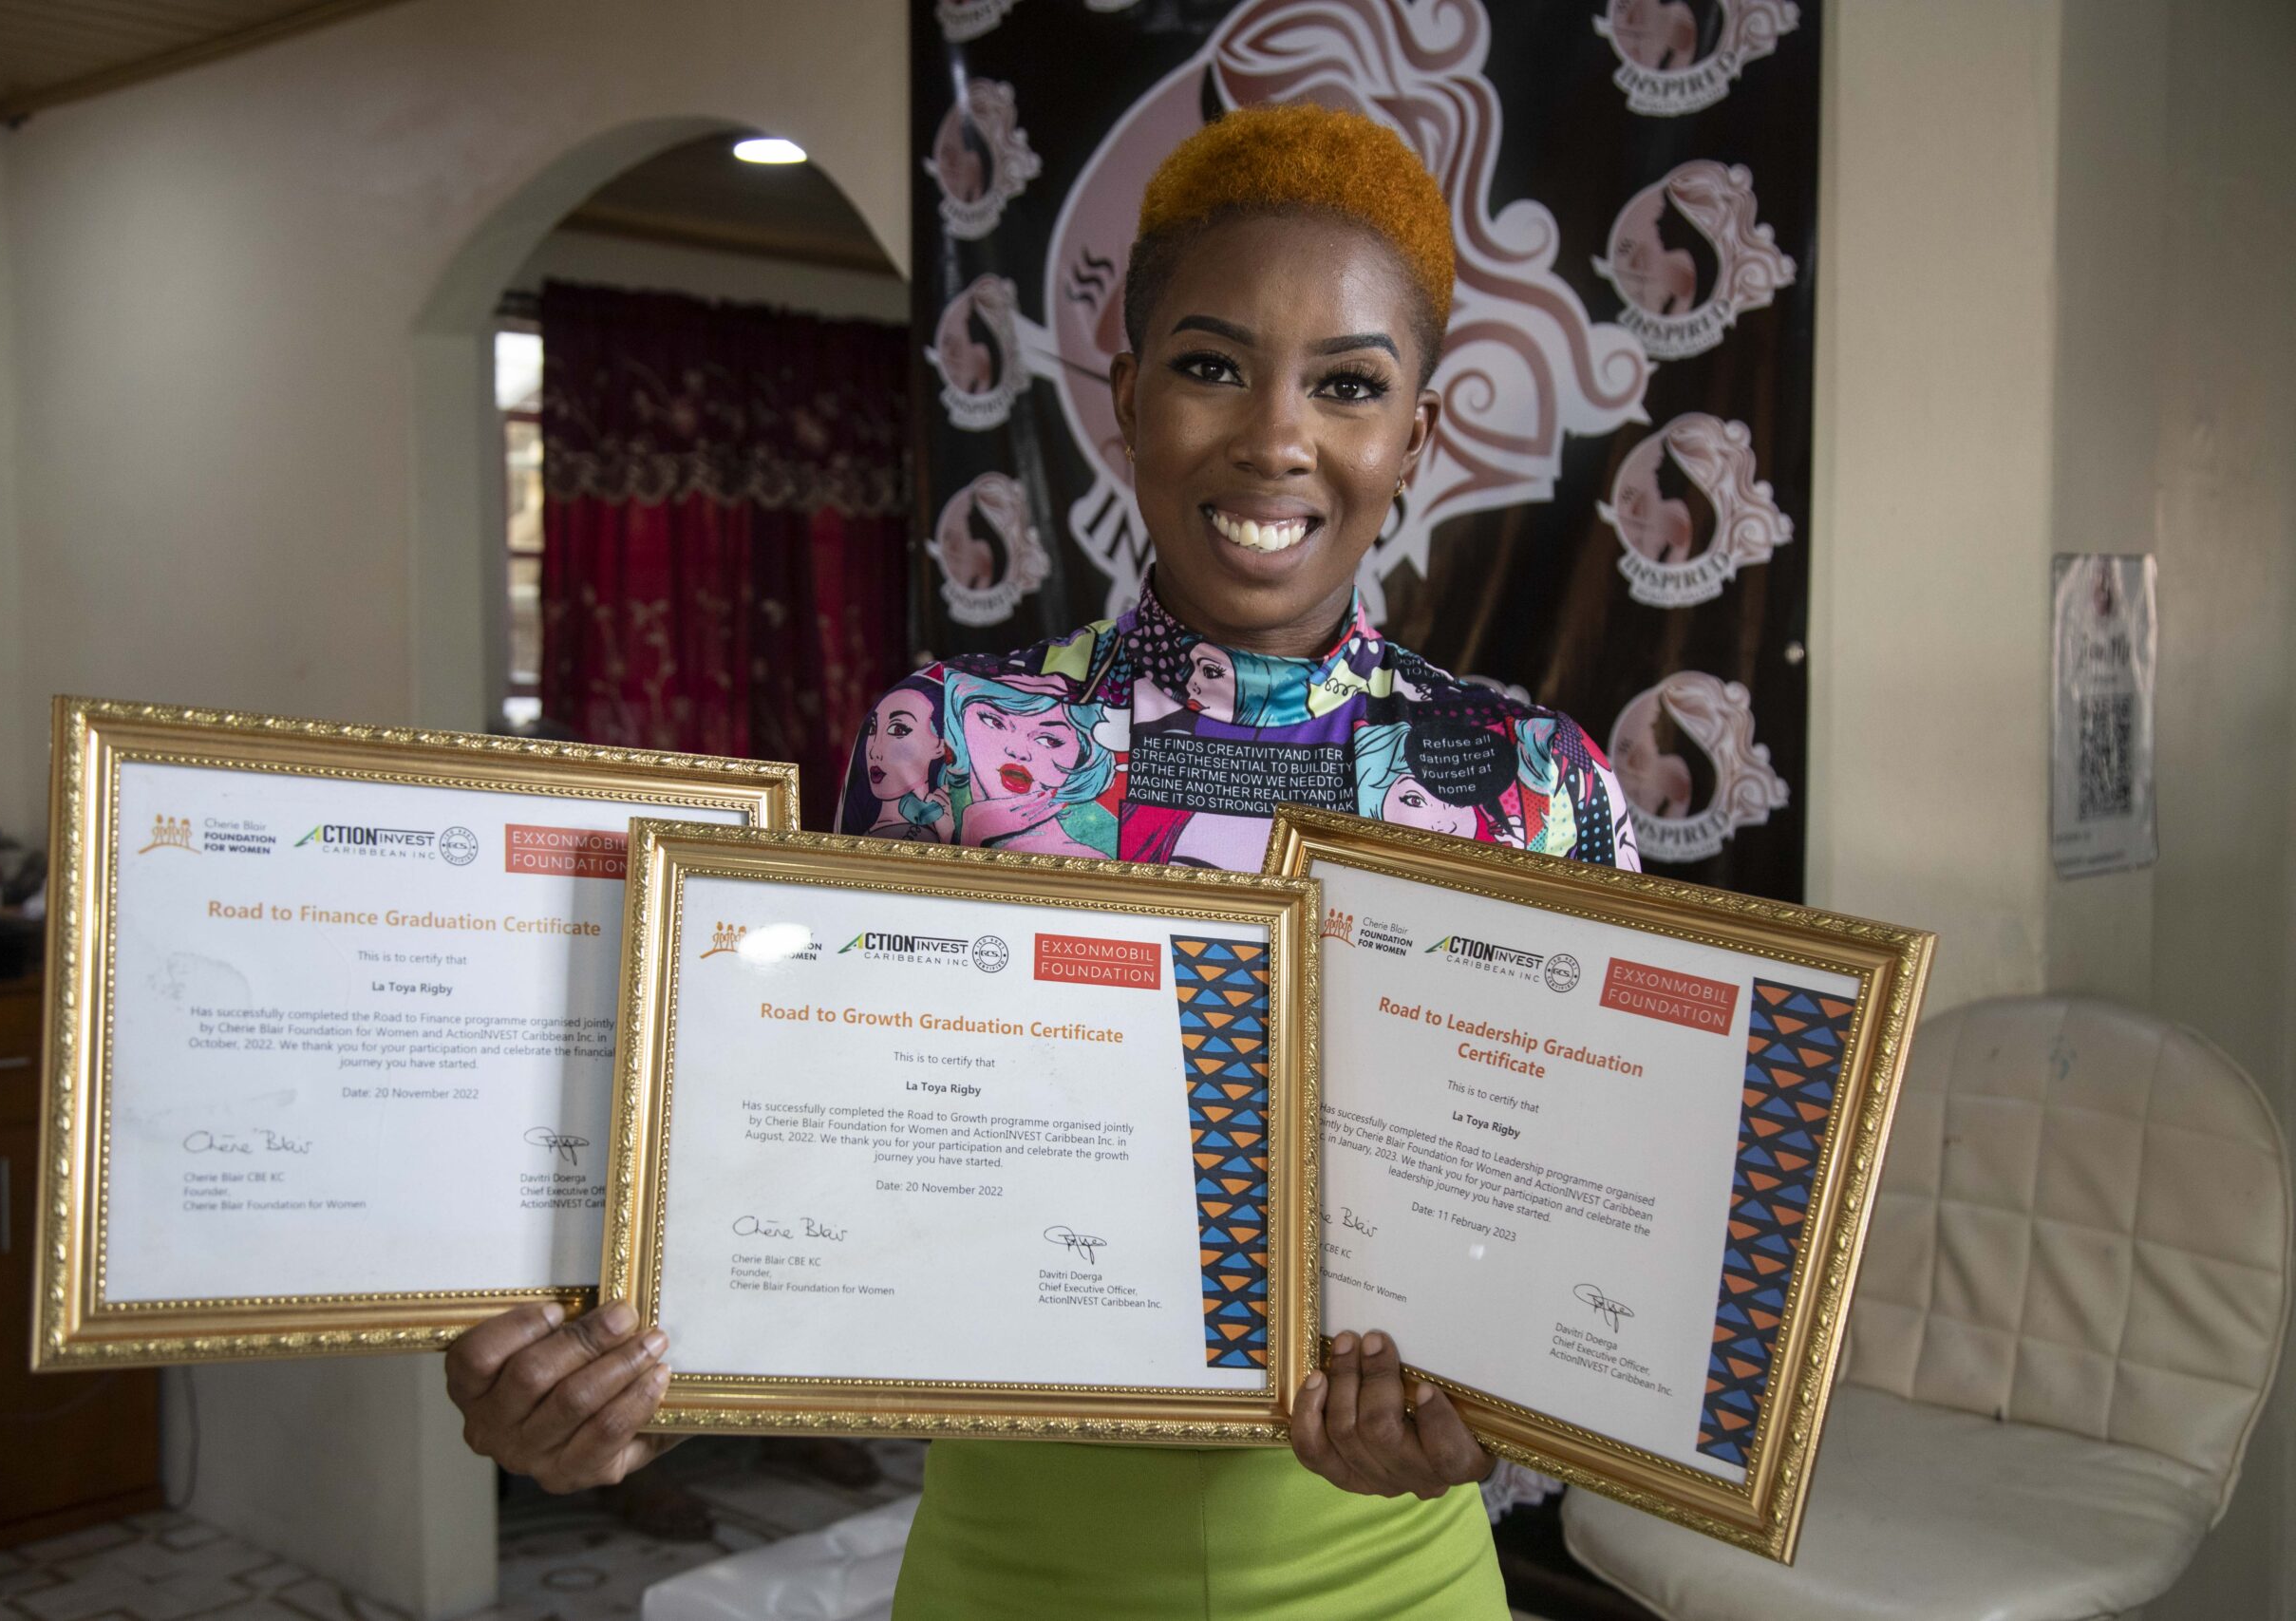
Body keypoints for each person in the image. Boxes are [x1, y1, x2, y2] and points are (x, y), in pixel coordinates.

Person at [442, 103, 1637, 1618]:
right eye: (1212, 366)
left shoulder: (1539, 791)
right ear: (1129, 399)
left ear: (1419, 433)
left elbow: (1568, 1226)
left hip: (1398, 1585)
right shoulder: (949, 740)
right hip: (1016, 1573)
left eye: (1347, 384)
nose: (1276, 436)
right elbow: (817, 1163)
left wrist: (1499, 1402)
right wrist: (619, 1385)